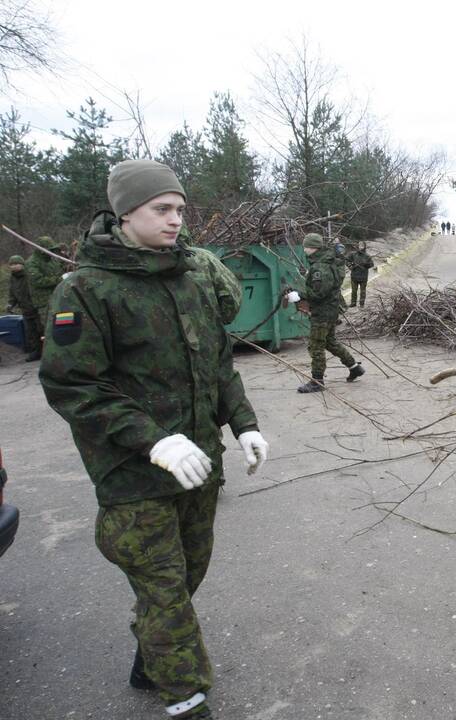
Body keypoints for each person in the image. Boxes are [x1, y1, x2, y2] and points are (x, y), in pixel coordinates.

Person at [39, 159, 269, 720]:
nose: (175, 221)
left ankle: (152, 658)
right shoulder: (86, 290)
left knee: (188, 575)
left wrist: (244, 424)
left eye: (179, 209)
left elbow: (217, 367)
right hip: (134, 477)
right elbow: (73, 385)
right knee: (165, 594)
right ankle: (186, 699)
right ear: (125, 213)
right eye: (161, 209)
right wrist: (154, 441)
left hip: (196, 469)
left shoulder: (188, 280)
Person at [289, 233, 364, 393]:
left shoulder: (320, 266)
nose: (304, 249)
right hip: (331, 310)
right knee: (330, 342)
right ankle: (354, 367)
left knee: (316, 345)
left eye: (306, 246)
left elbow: (319, 293)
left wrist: (299, 295)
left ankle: (317, 381)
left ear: (312, 247)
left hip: (322, 312)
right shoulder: (326, 261)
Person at [25, 235, 65, 359]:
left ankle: (63, 352)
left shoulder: (53, 260)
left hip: (59, 297)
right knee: (49, 328)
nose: (51, 251)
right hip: (43, 302)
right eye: (49, 249)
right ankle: (51, 356)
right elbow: (38, 281)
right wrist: (60, 279)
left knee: (63, 325)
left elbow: (60, 270)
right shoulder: (31, 263)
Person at [6, 254, 42, 361]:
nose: (14, 266)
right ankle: (35, 353)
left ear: (22, 264)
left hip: (37, 308)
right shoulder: (12, 278)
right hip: (25, 310)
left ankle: (46, 352)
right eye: (12, 264)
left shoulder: (29, 275)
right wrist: (10, 304)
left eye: (16, 264)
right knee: (30, 333)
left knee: (42, 330)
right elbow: (12, 292)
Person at [346, 242, 375, 308]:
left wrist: (366, 264)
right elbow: (347, 260)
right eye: (359, 245)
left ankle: (362, 304)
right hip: (354, 276)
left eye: (362, 245)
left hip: (363, 277)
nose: (360, 246)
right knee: (353, 291)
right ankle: (353, 303)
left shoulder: (367, 256)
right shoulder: (353, 254)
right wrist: (350, 265)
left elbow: (372, 264)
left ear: (364, 246)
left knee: (363, 291)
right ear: (357, 246)